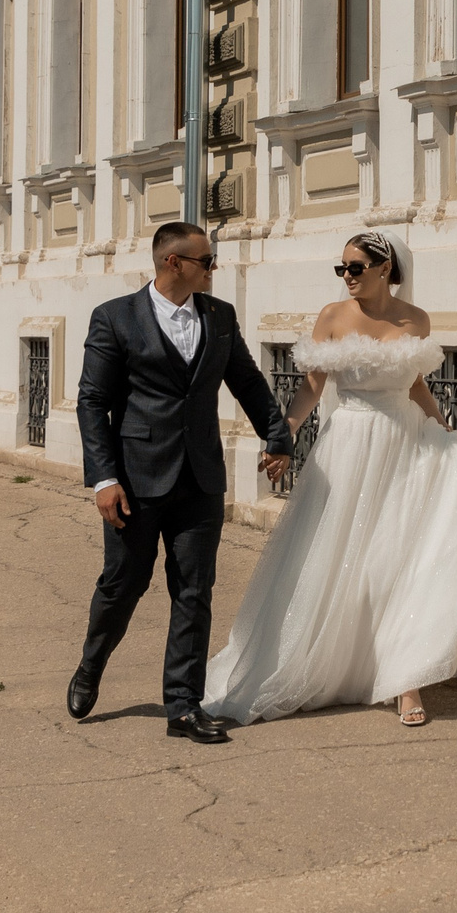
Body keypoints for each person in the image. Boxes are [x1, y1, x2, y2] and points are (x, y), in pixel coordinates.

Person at [203, 231, 457, 728]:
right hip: (350, 447)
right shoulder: (332, 317)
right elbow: (312, 387)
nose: (347, 277)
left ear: (386, 268)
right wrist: (284, 435)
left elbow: (415, 382)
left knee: (403, 560)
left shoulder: (415, 319)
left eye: (356, 267)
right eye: (341, 268)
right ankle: (332, 660)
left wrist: (441, 424)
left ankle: (405, 679)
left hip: (407, 444)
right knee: (344, 559)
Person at [68, 222, 293, 745]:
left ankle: (183, 707)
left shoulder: (219, 316)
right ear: (174, 262)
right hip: (135, 480)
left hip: (200, 477)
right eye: (206, 261)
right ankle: (91, 665)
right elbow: (91, 402)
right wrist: (103, 478)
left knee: (194, 590)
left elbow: (246, 380)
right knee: (122, 585)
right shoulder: (115, 317)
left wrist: (277, 435)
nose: (213, 269)